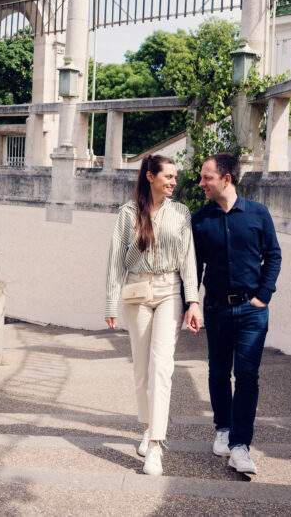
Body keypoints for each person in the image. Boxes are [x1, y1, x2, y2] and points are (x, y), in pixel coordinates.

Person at [105, 154, 202, 476]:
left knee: (162, 366)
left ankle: (156, 445)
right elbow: (118, 261)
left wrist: (193, 301)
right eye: (169, 176)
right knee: (142, 368)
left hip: (169, 290)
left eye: (175, 177)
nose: (174, 182)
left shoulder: (181, 213)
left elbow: (189, 260)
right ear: (150, 176)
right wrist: (110, 302)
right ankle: (147, 427)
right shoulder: (127, 214)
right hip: (135, 292)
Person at [186, 152, 281, 475]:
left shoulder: (258, 213)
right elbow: (193, 266)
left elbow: (273, 255)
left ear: (226, 179)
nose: (201, 183)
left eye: (206, 178)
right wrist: (193, 303)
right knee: (217, 373)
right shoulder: (201, 219)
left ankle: (240, 445)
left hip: (251, 310)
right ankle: (223, 429)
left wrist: (263, 297)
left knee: (247, 376)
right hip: (215, 307)